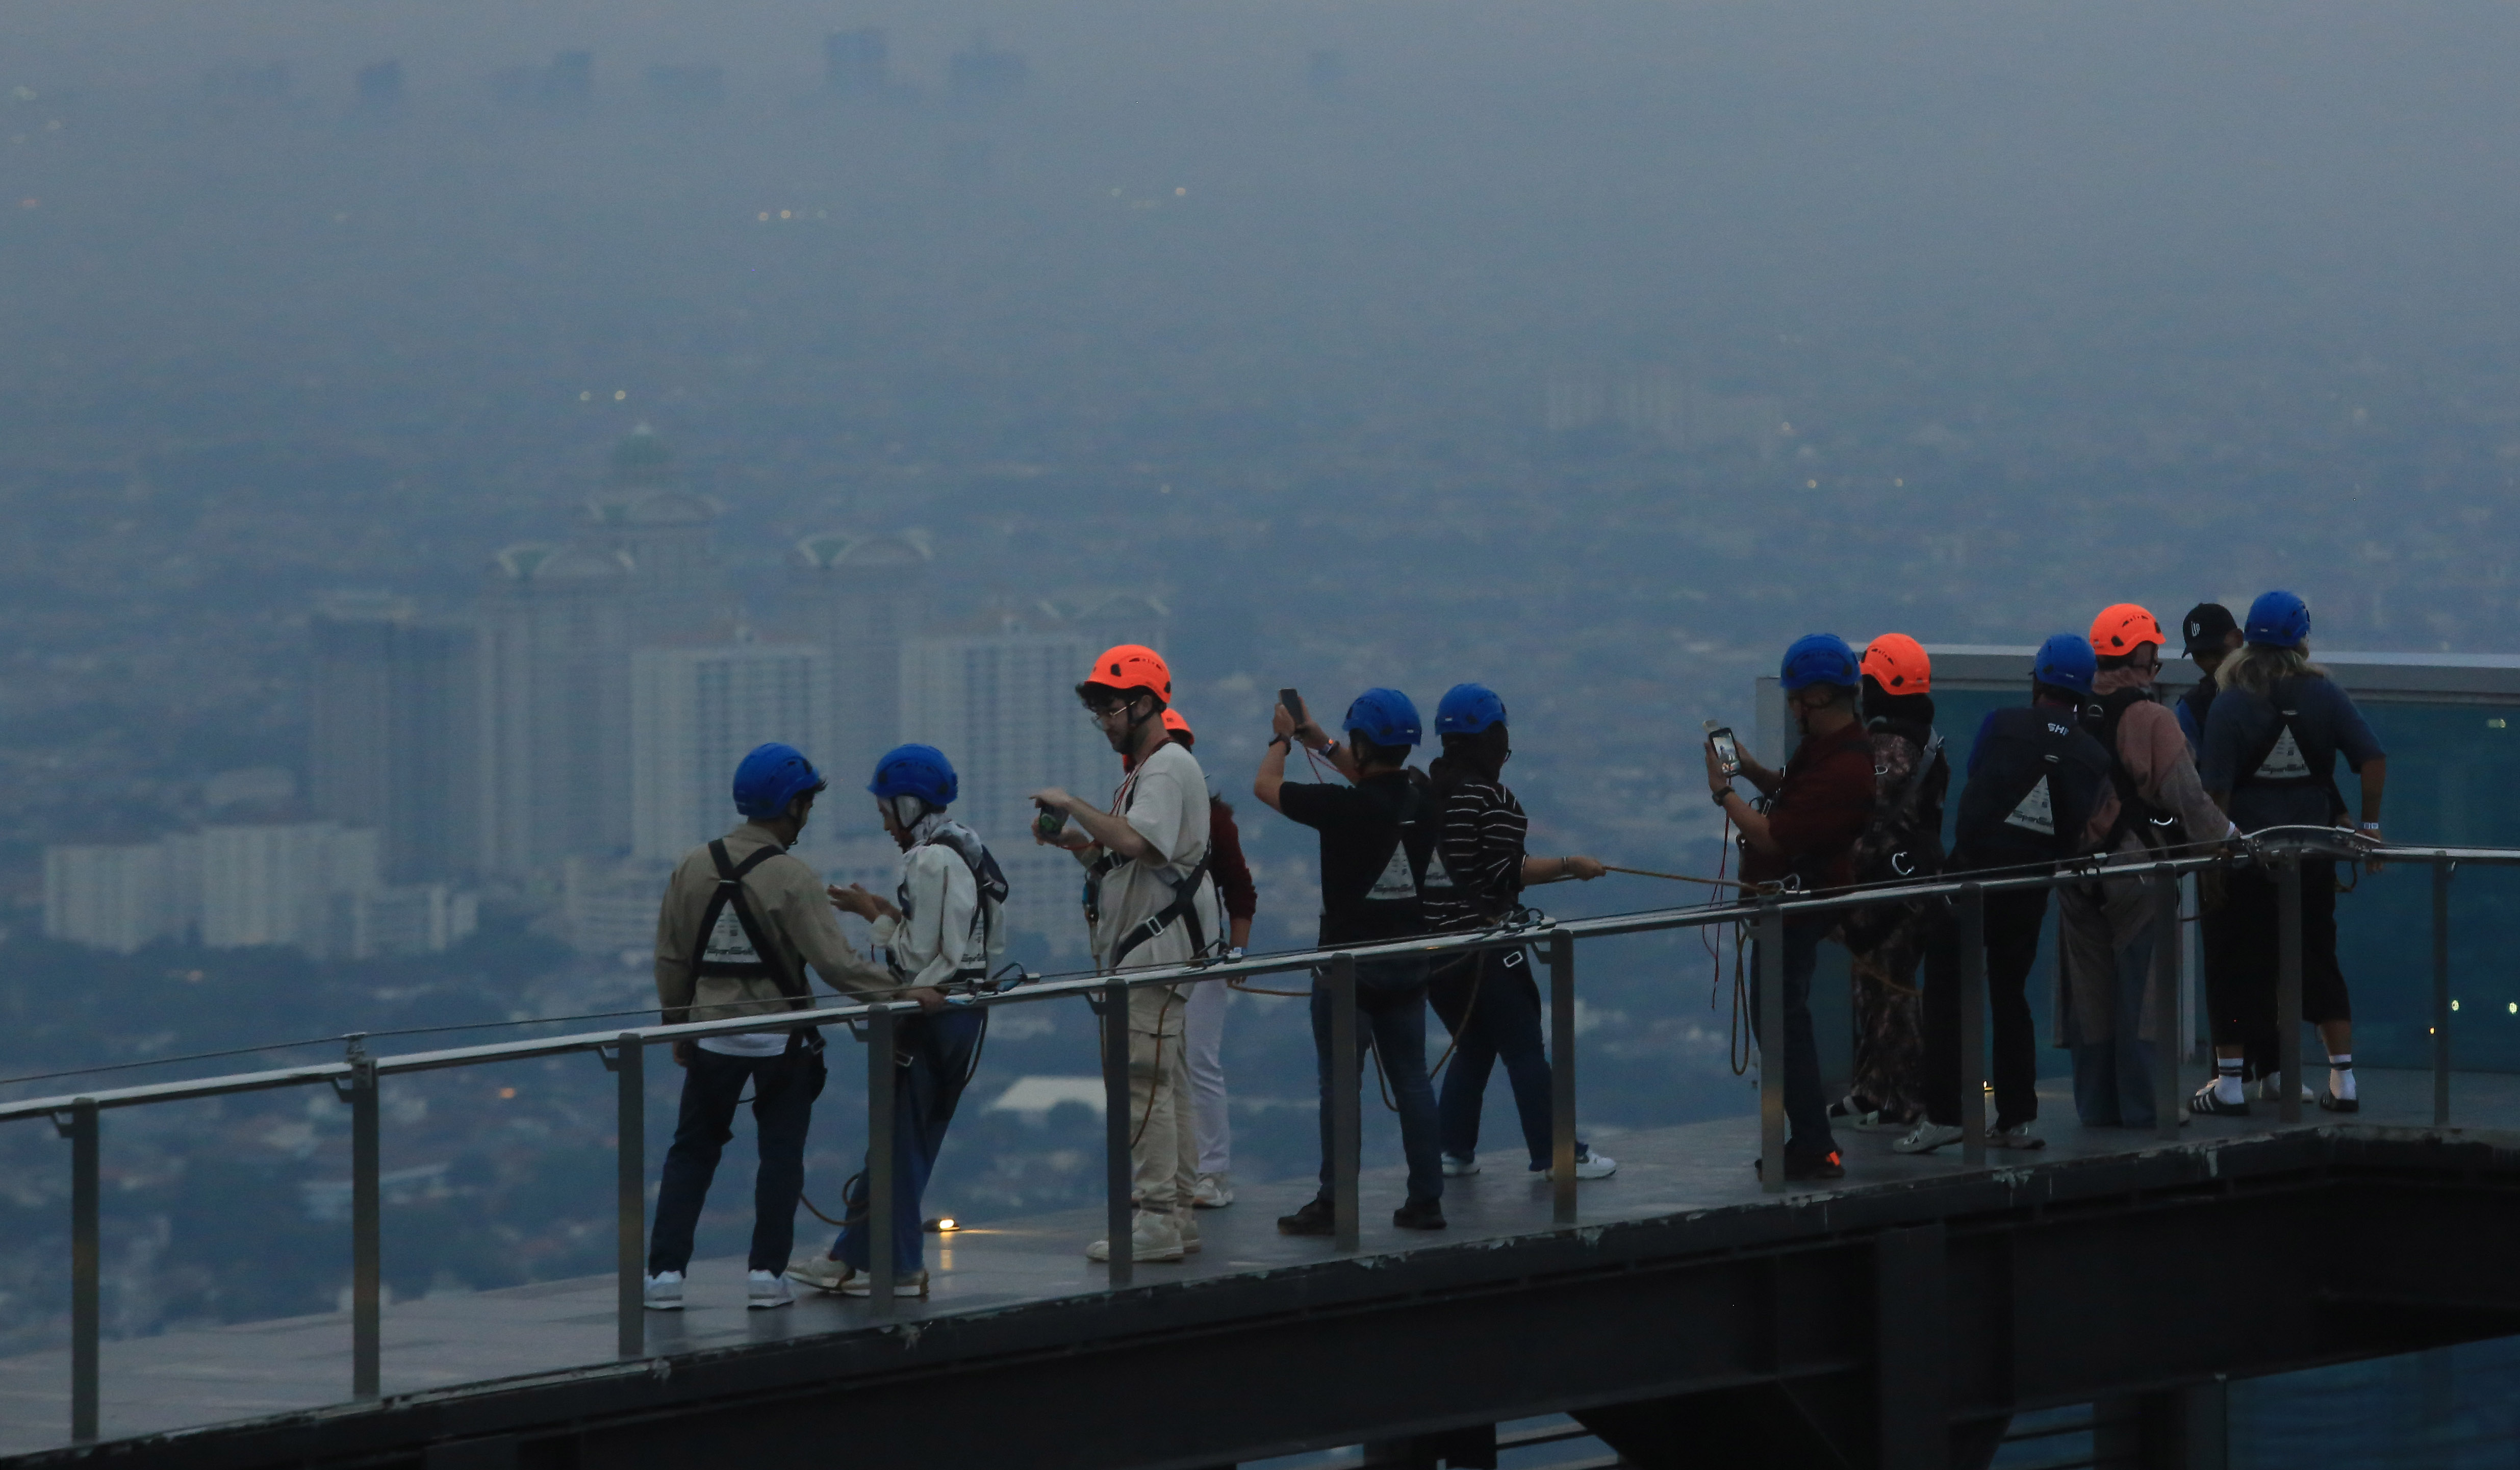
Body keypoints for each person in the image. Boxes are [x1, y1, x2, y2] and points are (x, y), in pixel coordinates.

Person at [645, 742, 922, 1312]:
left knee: (692, 1152)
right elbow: (837, 965)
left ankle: (664, 1276)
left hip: (711, 1034)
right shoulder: (793, 877)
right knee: (780, 1155)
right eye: (806, 804)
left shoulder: (692, 865)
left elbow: (671, 957)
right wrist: (903, 994)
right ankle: (767, 1276)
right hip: (781, 1039)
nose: (807, 815)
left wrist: (677, 1025)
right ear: (791, 805)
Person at [788, 745, 1005, 1299]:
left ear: (909, 805)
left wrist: (877, 921)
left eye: (887, 811)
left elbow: (915, 956)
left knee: (900, 1146)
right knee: (904, 1142)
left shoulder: (930, 860)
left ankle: (902, 1266)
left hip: (930, 1015)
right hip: (965, 1010)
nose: (886, 824)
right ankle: (850, 1257)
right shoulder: (968, 847)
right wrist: (885, 911)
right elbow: (959, 937)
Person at [1031, 645, 1225, 1264]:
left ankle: (1158, 1217)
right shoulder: (1151, 772)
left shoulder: (1165, 768)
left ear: (1144, 703)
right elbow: (1135, 863)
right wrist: (1079, 844)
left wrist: (1074, 804)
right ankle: (1178, 1211)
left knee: (1144, 1083)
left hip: (1154, 957)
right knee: (1168, 1083)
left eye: (1110, 708)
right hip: (1157, 952)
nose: (1105, 721)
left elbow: (1140, 842)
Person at [1898, 636, 2114, 1155]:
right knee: (2010, 994)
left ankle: (1944, 1114)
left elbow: (1977, 772)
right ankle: (2017, 1118)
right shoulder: (2092, 754)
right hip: (2028, 886)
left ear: (2038, 680)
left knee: (1946, 991)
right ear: (2085, 691)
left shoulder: (2001, 723)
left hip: (1970, 877)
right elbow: (2083, 825)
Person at [1258, 687, 1448, 1232]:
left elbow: (1265, 786)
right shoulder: (1423, 798)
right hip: (1408, 964)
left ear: (1363, 745)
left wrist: (1281, 740)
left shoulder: (1344, 807)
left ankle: (1335, 1202)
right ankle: (1426, 1200)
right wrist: (1318, 739)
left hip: (1347, 970)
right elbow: (1376, 780)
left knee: (1341, 1088)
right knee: (1413, 1081)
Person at [2191, 591, 2387, 1117]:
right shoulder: (2324, 695)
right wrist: (2368, 827)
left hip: (2247, 856)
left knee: (2236, 963)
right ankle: (2343, 1079)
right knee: (2318, 959)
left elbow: (2216, 790)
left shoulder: (2230, 701)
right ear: (2301, 639)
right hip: (2313, 854)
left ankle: (2230, 1084)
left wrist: (2217, 852)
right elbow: (2371, 757)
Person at [1418, 682, 1616, 1182]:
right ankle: (1558, 1153)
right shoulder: (1492, 798)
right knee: (1523, 1048)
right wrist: (1571, 864)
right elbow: (1509, 870)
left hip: (1433, 952)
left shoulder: (1424, 795)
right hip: (1487, 948)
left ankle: (1452, 1149)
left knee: (1473, 1045)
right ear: (1492, 740)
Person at [1703, 635, 1877, 1182]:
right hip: (1793, 900)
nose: (1793, 709)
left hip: (1798, 903)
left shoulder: (1844, 765)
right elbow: (1793, 796)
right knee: (1781, 1019)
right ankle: (1808, 1138)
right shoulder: (1833, 749)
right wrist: (1752, 771)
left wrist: (1723, 793)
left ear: (1816, 698)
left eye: (1797, 700)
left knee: (1781, 1022)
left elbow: (1775, 835)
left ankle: (1813, 1142)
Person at [2054, 605, 2234, 1129]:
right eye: (2152, 658)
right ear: (2141, 655)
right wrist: (2230, 840)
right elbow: (2187, 798)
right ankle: (2143, 1105)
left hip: (2073, 872)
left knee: (2089, 996)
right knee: (2143, 993)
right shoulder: (2152, 719)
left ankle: (2095, 1106)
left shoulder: (2068, 712)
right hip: (2134, 873)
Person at [1827, 635, 1949, 1132]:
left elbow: (1866, 815)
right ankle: (1873, 1090)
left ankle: (1902, 1099)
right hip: (1910, 881)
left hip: (1889, 887)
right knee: (1873, 987)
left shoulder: (1889, 747)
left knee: (1889, 992)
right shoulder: (1924, 739)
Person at [1156, 708, 1257, 1210]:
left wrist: (1235, 952)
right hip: (1159, 955)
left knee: (1196, 1061)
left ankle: (1211, 1171)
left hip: (1200, 955)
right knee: (1158, 1065)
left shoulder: (1213, 821)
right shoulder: (1140, 813)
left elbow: (1239, 888)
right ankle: (1166, 1172)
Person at [2176, 601, 2244, 752]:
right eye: (2200, 656)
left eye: (2217, 651)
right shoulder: (2191, 708)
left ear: (2239, 639)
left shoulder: (2191, 707)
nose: (2210, 662)